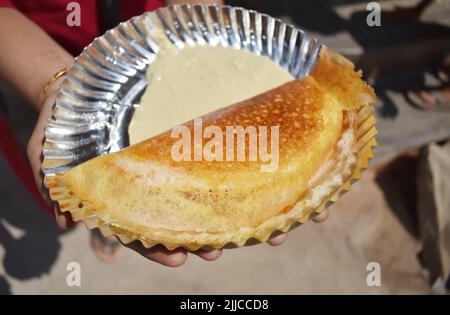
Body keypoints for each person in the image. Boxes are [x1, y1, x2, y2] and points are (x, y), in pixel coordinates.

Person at [0, 0, 329, 267]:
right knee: (77, 181)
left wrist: (195, 22)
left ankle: (106, 220)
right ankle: (103, 218)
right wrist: (59, 81)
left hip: (159, 36)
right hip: (31, 52)